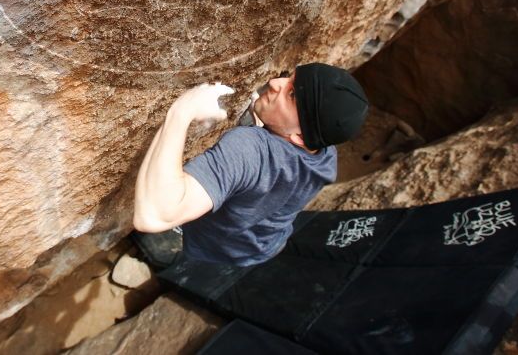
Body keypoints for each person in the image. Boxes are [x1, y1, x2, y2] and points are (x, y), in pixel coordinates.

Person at [133, 63, 369, 266]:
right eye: (290, 77)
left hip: (218, 248)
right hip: (266, 243)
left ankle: (169, 255)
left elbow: (154, 216)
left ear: (299, 137)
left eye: (292, 95)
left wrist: (182, 110)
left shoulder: (248, 148)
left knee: (164, 244)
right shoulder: (325, 153)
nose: (276, 82)